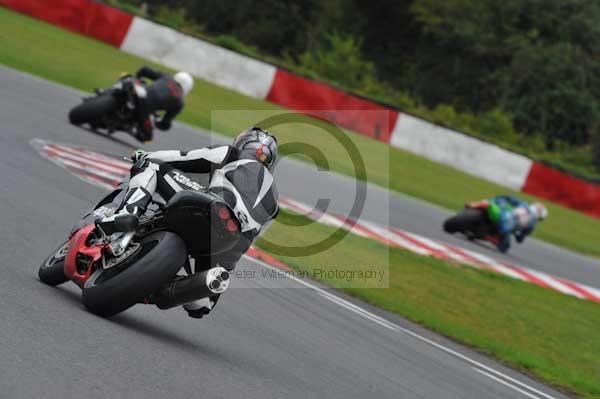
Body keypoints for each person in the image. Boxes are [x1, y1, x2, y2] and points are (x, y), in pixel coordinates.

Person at [98, 127, 279, 318]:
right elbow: (255, 236)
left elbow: (184, 157)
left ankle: (128, 212)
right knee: (202, 304)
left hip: (214, 209)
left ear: (243, 142)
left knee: (152, 165)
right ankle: (176, 288)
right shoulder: (275, 202)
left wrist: (145, 154)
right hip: (231, 243)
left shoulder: (232, 153)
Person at [127, 65, 194, 142]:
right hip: (145, 109)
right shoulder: (180, 102)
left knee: (129, 81)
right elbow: (165, 123)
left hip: (139, 93)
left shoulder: (167, 77)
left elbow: (145, 69)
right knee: (147, 137)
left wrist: (138, 78)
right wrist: (159, 123)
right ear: (187, 87)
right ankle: (130, 127)